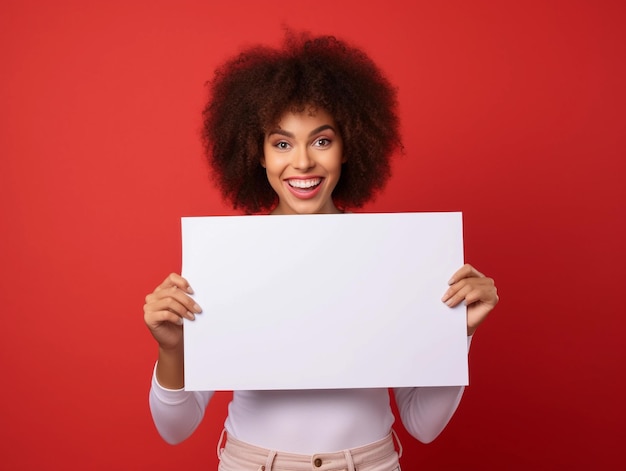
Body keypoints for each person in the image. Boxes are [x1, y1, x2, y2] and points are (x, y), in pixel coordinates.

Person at [144, 31, 498, 471]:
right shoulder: (226, 259)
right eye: (282, 143)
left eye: (322, 140)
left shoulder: (394, 256)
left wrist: (458, 331)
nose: (303, 163)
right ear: (258, 154)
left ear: (349, 146)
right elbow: (174, 428)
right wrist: (172, 349)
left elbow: (423, 425)